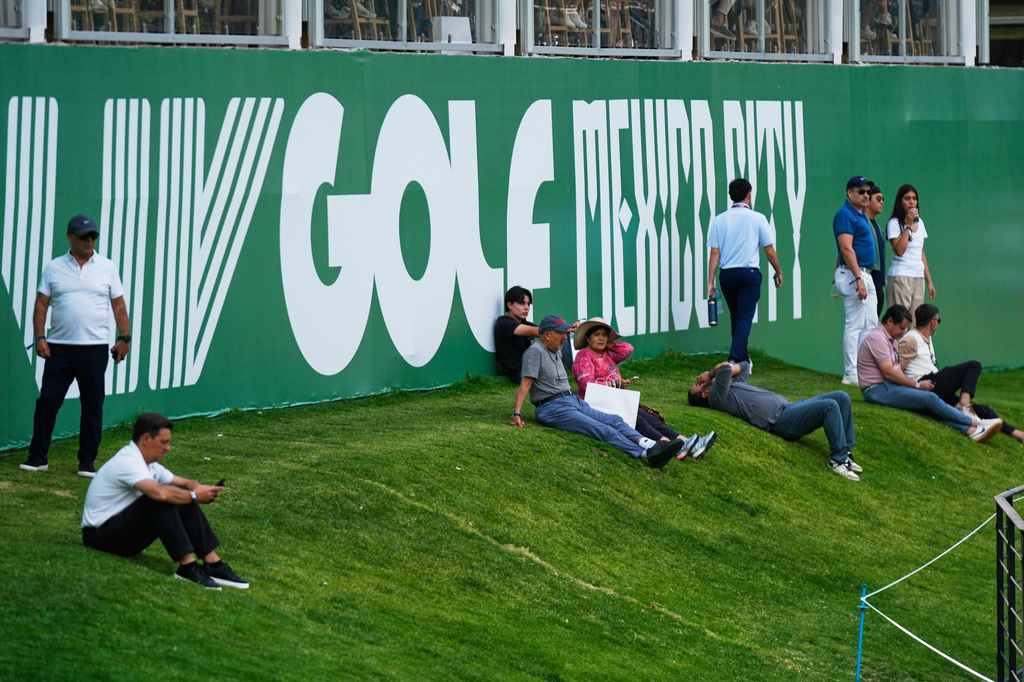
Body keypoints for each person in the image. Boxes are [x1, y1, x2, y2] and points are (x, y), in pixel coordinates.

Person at [81, 412, 248, 590]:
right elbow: (160, 493)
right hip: (99, 538)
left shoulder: (148, 463)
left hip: (120, 534)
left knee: (179, 492)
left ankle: (213, 563)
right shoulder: (128, 462)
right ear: (146, 439)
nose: (168, 448)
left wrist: (198, 488)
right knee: (160, 497)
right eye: (163, 442)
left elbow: (184, 483)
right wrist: (194, 496)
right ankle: (187, 566)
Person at [20, 214, 132, 478]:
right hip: (58, 347)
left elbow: (118, 304)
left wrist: (124, 338)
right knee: (47, 401)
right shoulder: (54, 267)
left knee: (92, 405)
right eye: (84, 236)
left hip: (94, 349)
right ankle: (38, 457)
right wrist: (39, 337)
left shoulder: (107, 267)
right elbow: (41, 304)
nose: (89, 240)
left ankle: (87, 462)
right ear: (70, 237)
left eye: (93, 236)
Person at [510, 315, 687, 468]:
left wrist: (573, 330)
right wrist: (517, 413)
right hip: (553, 407)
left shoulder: (554, 348)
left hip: (573, 401)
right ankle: (645, 454)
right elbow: (525, 384)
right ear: (547, 335)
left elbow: (626, 348)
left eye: (567, 333)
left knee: (615, 420)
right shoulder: (534, 352)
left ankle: (650, 445)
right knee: (601, 429)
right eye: (561, 333)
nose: (565, 337)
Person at [687, 359, 863, 481]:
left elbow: (745, 366)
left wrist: (714, 376)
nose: (700, 381)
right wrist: (710, 374)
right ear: (704, 393)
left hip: (791, 408)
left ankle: (846, 453)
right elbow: (725, 369)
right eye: (698, 384)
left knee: (841, 396)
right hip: (781, 420)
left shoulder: (728, 387)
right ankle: (838, 461)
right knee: (830, 406)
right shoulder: (716, 398)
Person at [571, 317, 717, 459]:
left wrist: (609, 344)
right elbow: (588, 385)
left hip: (616, 400)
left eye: (605, 335)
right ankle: (671, 445)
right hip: (596, 404)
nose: (602, 338)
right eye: (597, 335)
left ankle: (689, 443)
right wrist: (616, 384)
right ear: (587, 338)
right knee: (639, 420)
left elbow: (627, 349)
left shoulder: (605, 353)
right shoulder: (584, 356)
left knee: (650, 419)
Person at [856, 305, 1002, 442]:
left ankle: (970, 430)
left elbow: (896, 370)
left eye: (905, 329)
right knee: (930, 398)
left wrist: (912, 387)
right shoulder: (878, 338)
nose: (903, 332)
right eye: (901, 328)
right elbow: (889, 373)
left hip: (887, 388)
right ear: (889, 321)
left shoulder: (890, 339)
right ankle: (977, 423)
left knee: (926, 406)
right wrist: (917, 384)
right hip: (877, 390)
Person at [899, 305, 1023, 444]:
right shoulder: (911, 339)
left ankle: (1019, 435)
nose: (938, 324)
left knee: (983, 410)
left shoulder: (926, 338)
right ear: (932, 322)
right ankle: (964, 404)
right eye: (938, 321)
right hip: (925, 384)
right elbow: (898, 370)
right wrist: (915, 386)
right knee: (974, 366)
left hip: (934, 387)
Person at [706, 178, 783, 365]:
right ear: (749, 195)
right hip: (749, 275)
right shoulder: (758, 218)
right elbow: (769, 251)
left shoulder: (719, 220)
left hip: (727, 276)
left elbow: (714, 254)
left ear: (731, 196)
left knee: (737, 318)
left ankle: (743, 358)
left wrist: (710, 281)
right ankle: (734, 360)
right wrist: (778, 271)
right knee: (744, 319)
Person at [833, 175, 879, 386]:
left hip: (863, 274)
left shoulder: (860, 215)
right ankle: (850, 373)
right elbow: (845, 248)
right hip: (855, 275)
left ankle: (862, 371)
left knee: (870, 324)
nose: (866, 195)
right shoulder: (845, 214)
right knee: (855, 324)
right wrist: (858, 278)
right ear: (849, 193)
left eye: (867, 191)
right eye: (861, 191)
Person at [885, 183, 934, 326]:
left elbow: (921, 253)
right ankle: (894, 349)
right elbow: (899, 251)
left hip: (918, 277)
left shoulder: (921, 223)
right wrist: (907, 225)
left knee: (915, 322)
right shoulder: (894, 223)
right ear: (900, 201)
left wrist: (929, 281)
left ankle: (910, 349)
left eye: (914, 198)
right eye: (907, 198)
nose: (912, 202)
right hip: (901, 276)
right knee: (899, 322)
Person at [865, 185, 888, 317]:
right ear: (868, 201)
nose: (882, 202)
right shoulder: (863, 223)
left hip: (878, 285)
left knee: (872, 327)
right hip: (868, 283)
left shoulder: (876, 226)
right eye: (878, 199)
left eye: (882, 199)